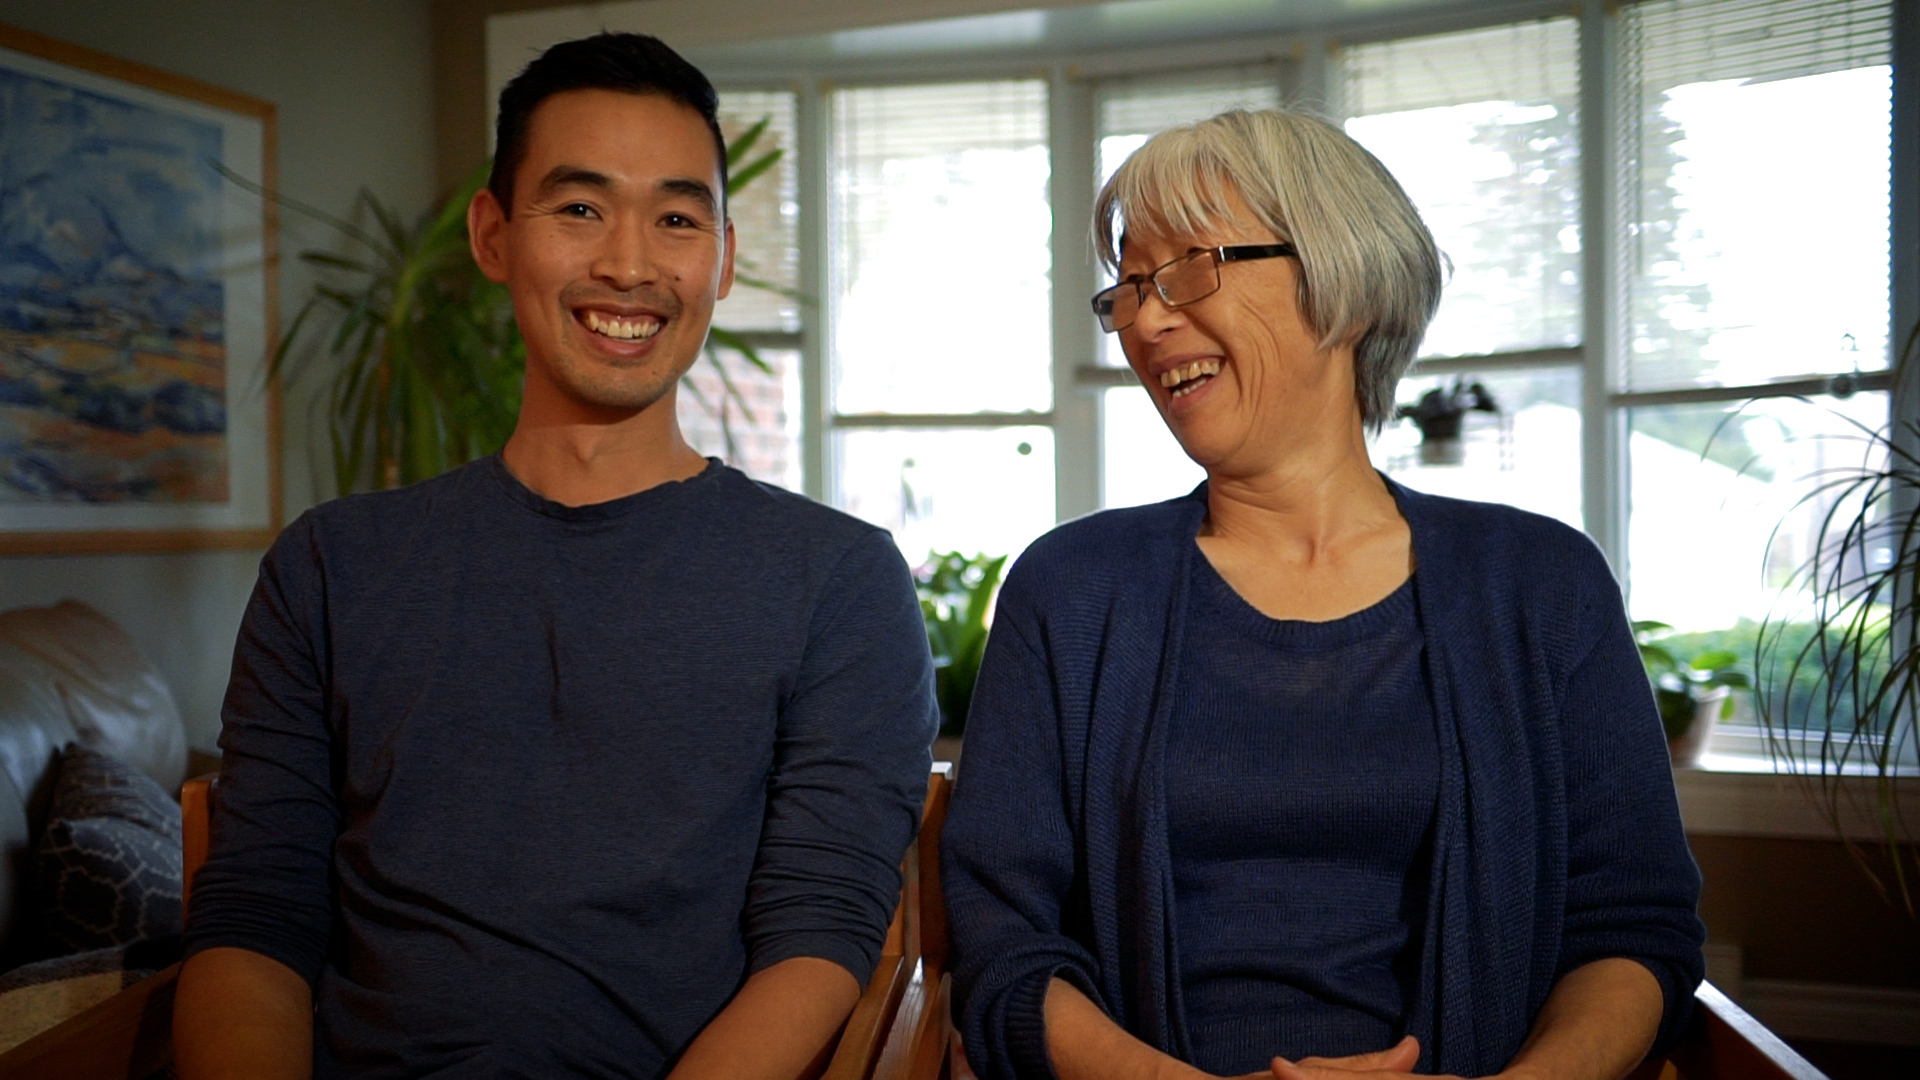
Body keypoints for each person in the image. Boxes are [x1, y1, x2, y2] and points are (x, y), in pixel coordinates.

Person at [174, 33, 937, 1080]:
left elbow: (821, 933)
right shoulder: (332, 566)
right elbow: (258, 913)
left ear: (720, 257)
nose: (629, 262)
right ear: (493, 235)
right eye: (580, 208)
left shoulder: (838, 581)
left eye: (676, 217)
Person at [941, 109, 1705, 1080]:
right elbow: (1005, 953)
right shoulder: (1072, 590)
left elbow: (1632, 931)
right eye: (1130, 286)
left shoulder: (1542, 586)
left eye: (1186, 268)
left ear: (1341, 280)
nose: (1144, 318)